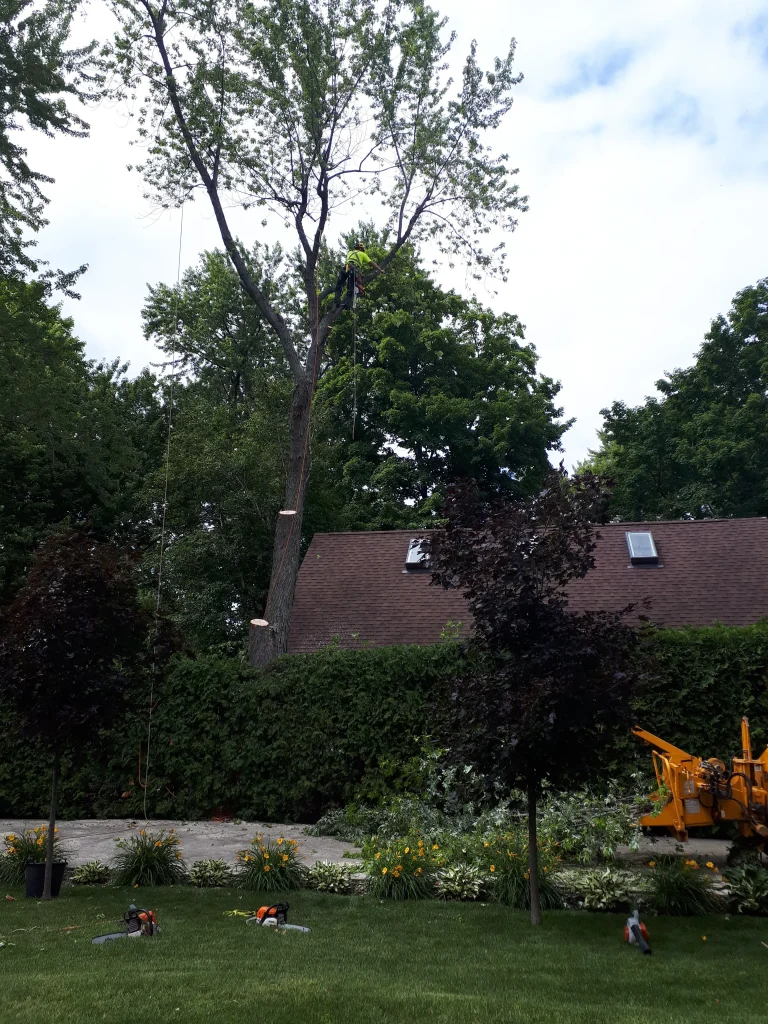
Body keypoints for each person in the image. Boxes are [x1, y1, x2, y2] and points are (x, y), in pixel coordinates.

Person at [334, 242, 384, 308]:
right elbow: (372, 263)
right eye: (362, 249)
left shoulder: (350, 252)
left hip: (345, 268)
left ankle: (337, 302)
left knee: (339, 285)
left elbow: (352, 263)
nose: (363, 251)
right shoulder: (362, 254)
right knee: (350, 288)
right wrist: (380, 270)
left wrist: (360, 274)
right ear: (360, 248)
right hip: (353, 270)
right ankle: (346, 304)